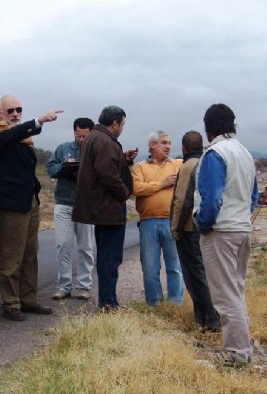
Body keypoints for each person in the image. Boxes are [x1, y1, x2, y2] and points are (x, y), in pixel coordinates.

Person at [0, 95, 61, 321]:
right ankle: (11, 303)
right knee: (11, 256)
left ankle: (28, 299)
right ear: (0, 113)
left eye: (19, 109)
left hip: (28, 201)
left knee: (29, 253)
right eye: (10, 111)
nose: (15, 113)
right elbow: (13, 134)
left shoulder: (22, 140)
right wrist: (39, 121)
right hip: (10, 203)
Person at [194, 103, 258, 367]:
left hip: (221, 230)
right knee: (236, 289)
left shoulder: (215, 154)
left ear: (208, 129)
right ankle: (243, 345)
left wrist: (203, 223)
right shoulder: (244, 153)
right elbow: (254, 197)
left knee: (224, 294)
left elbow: (212, 198)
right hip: (242, 227)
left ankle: (237, 352)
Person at [73, 106, 137, 311]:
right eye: (122, 124)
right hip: (108, 209)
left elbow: (105, 166)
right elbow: (106, 173)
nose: (122, 128)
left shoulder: (95, 137)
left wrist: (123, 160)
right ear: (115, 123)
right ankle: (108, 303)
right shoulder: (105, 140)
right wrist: (124, 191)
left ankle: (107, 300)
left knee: (105, 256)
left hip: (101, 208)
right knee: (110, 258)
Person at [170, 130, 220, 332]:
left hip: (190, 229)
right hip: (210, 227)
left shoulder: (188, 167)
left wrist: (175, 227)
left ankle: (211, 317)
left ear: (183, 149)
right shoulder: (209, 164)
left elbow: (181, 200)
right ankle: (202, 317)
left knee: (194, 275)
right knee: (207, 272)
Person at [132, 130, 184, 306]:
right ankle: (154, 304)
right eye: (164, 143)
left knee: (175, 266)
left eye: (169, 143)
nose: (168, 146)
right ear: (152, 145)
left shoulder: (178, 164)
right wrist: (163, 184)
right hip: (148, 222)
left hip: (172, 221)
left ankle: (175, 304)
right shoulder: (139, 167)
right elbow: (137, 189)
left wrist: (152, 186)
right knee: (150, 267)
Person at [47, 117, 96, 301]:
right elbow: (51, 168)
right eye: (78, 135)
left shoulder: (96, 150)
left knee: (86, 247)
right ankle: (64, 286)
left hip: (86, 204)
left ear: (91, 133)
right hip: (64, 202)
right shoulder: (63, 148)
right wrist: (66, 169)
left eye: (84, 136)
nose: (81, 139)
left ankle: (84, 286)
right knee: (63, 246)